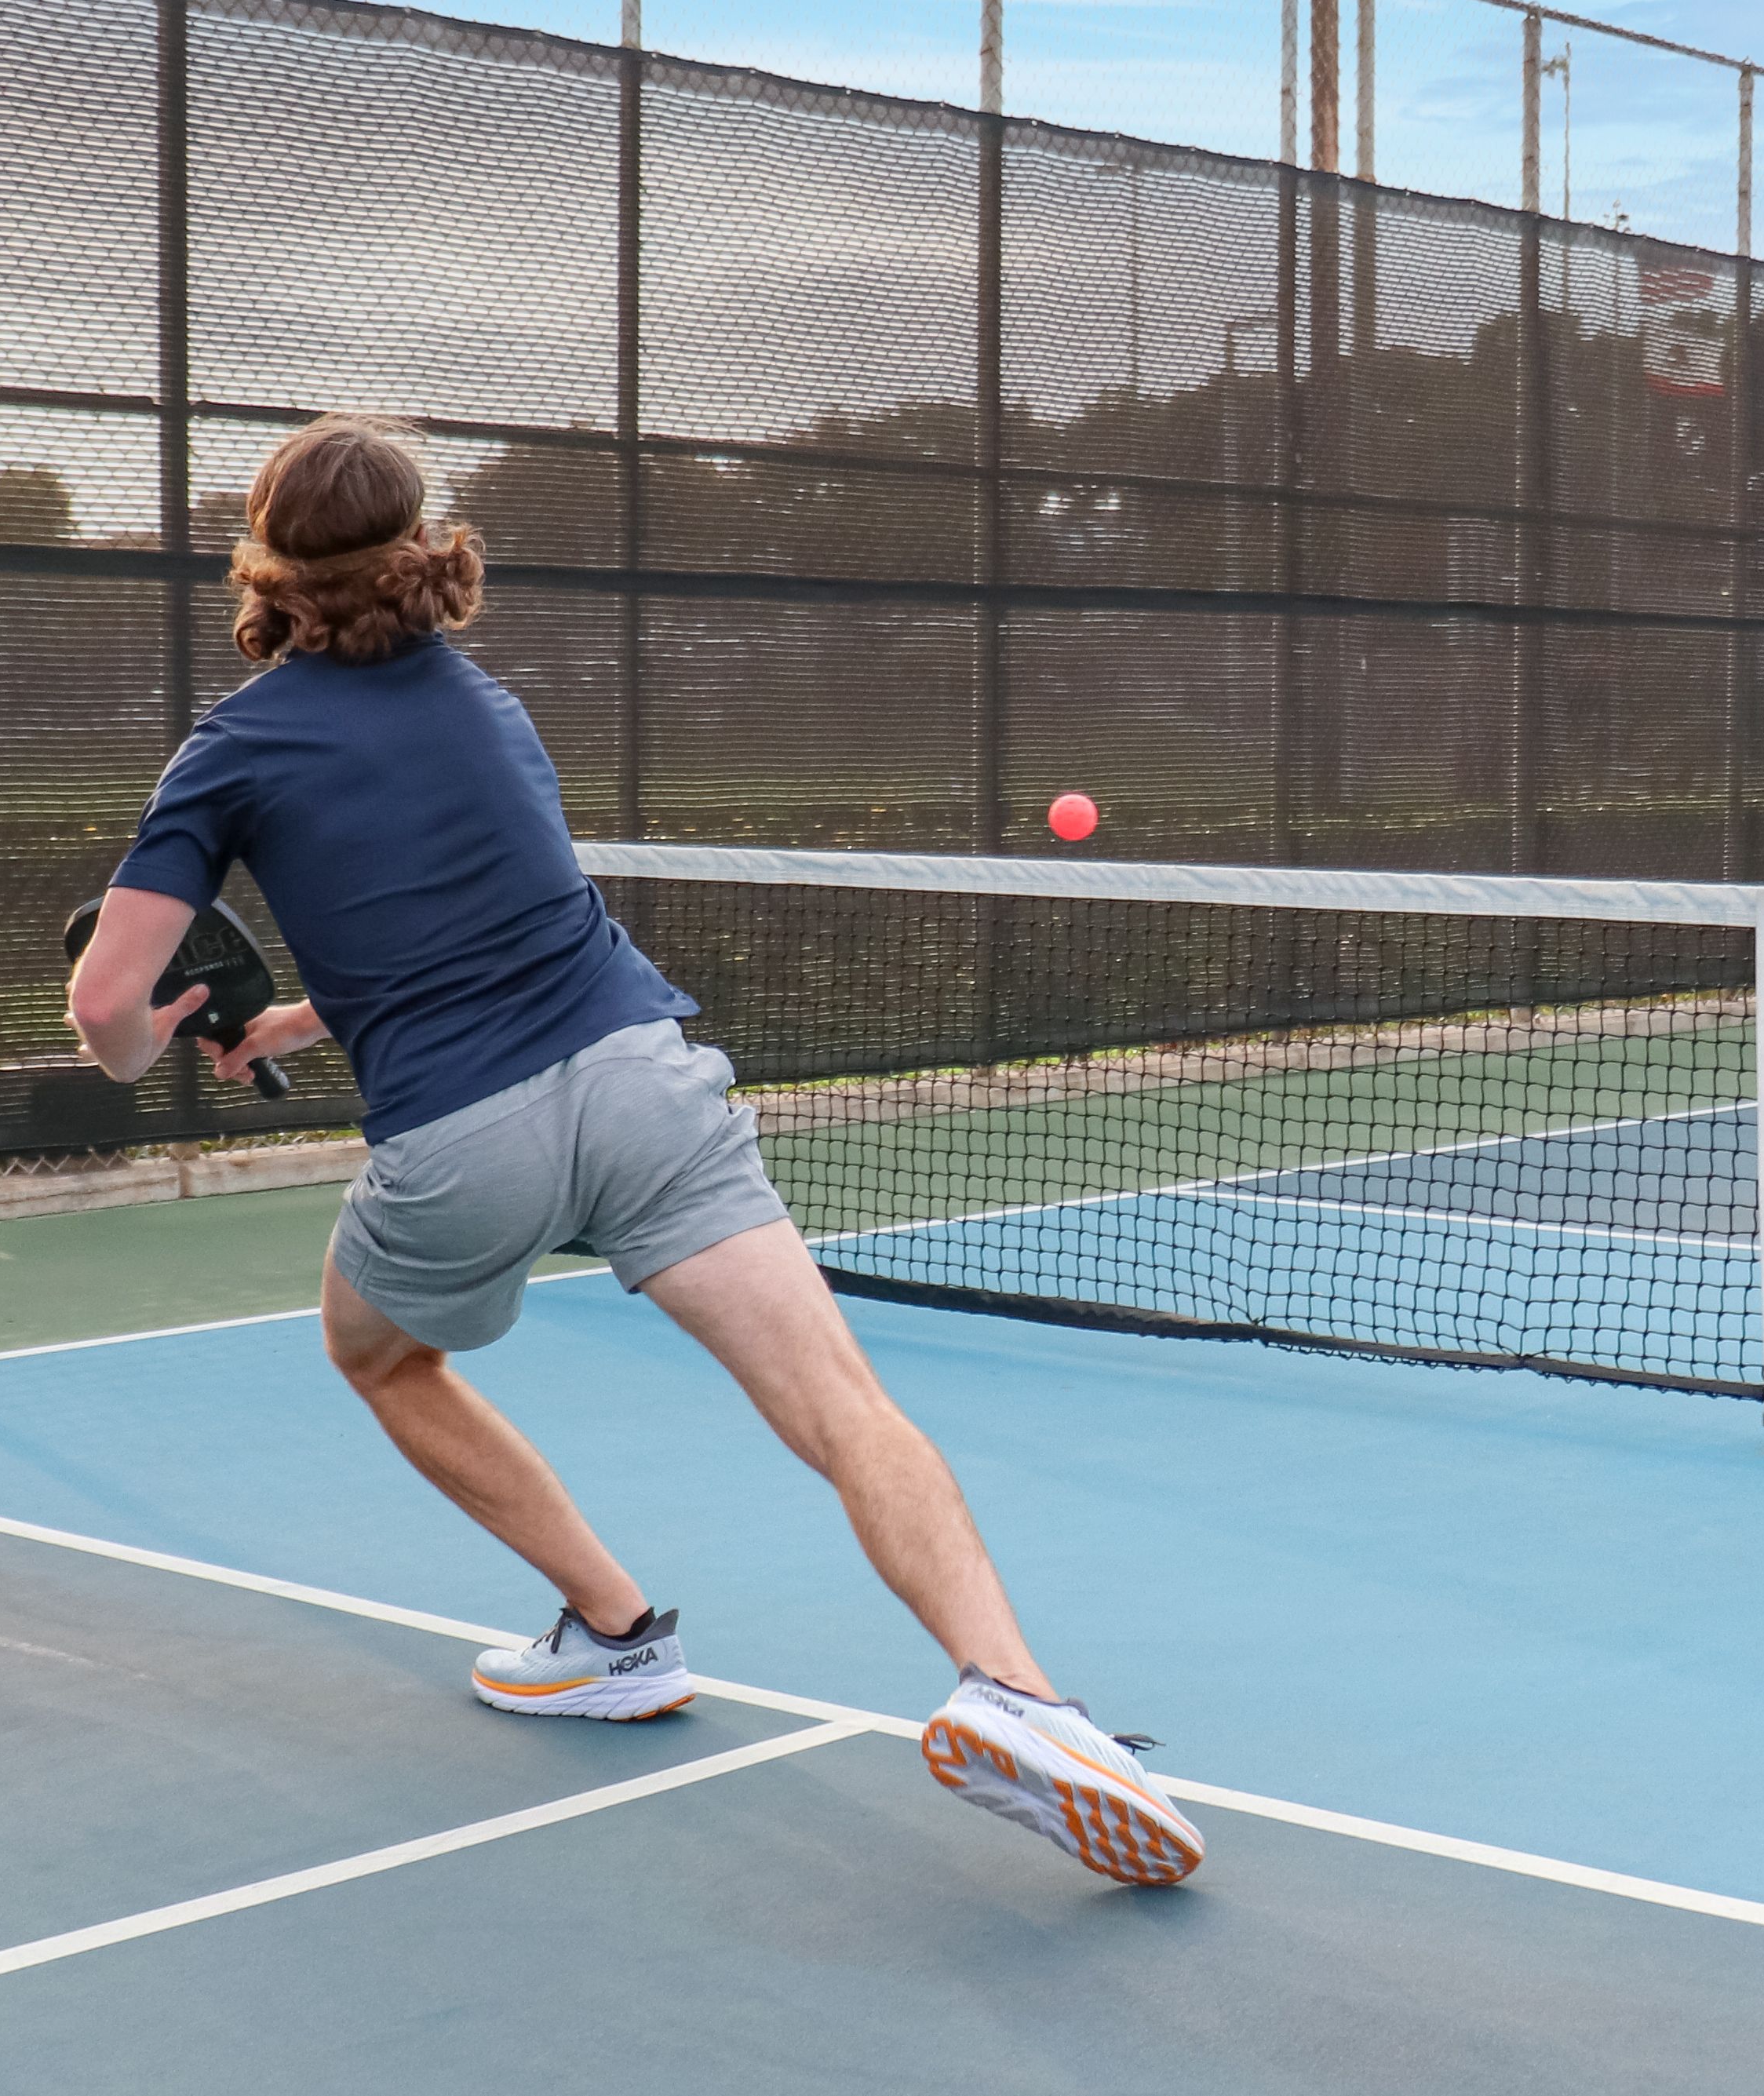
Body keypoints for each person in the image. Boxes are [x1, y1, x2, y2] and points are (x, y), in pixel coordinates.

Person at [64, 415, 1202, 1887]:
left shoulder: (233, 746)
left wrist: (147, 1040)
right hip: (645, 1078)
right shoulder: (490, 709)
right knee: (843, 1402)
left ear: (269, 562)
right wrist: (290, 1020)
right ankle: (1023, 1693)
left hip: (468, 1138)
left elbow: (109, 1003)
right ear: (427, 549)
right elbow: (475, 918)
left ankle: (612, 1632)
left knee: (383, 1353)